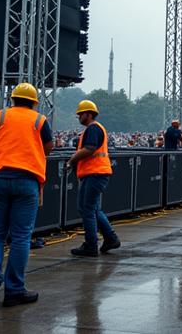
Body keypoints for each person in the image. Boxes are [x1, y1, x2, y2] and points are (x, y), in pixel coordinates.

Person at [0, 83, 54, 310]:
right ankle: (14, 291)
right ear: (33, 102)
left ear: (12, 100)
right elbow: (48, 147)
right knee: (20, 237)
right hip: (27, 179)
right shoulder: (40, 120)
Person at [67, 100, 120, 257]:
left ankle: (91, 245)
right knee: (93, 209)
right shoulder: (94, 129)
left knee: (86, 209)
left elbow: (89, 149)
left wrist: (72, 160)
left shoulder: (93, 129)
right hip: (96, 173)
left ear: (89, 114)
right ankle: (111, 238)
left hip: (94, 173)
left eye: (81, 114)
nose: (79, 117)